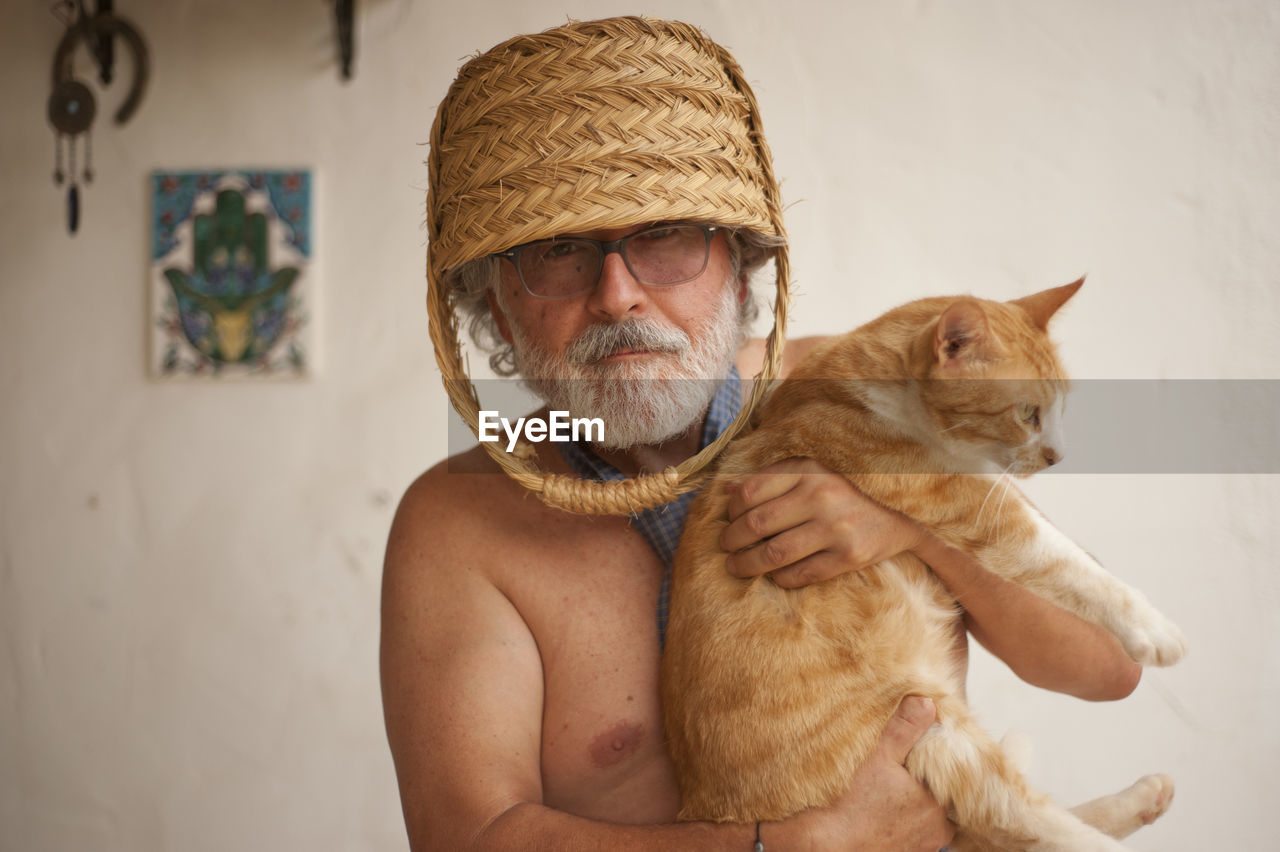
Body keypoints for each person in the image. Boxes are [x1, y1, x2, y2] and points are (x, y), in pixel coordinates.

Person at [381, 17, 1141, 851]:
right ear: (496, 305)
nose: (618, 295)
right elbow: (469, 840)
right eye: (559, 253)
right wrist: (785, 847)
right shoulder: (459, 523)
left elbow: (1109, 663)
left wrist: (911, 514)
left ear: (740, 270)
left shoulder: (855, 400)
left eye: (665, 235)